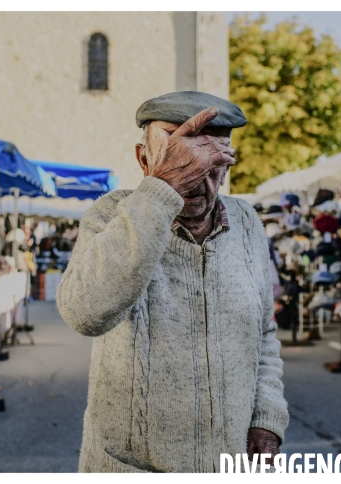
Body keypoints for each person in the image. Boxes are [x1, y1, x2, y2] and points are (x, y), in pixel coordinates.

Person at [57, 92, 289, 473]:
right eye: (183, 160)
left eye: (211, 163)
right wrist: (162, 189)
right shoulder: (111, 215)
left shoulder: (247, 223)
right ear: (143, 158)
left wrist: (267, 418)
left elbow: (263, 332)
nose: (197, 177)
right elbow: (84, 313)